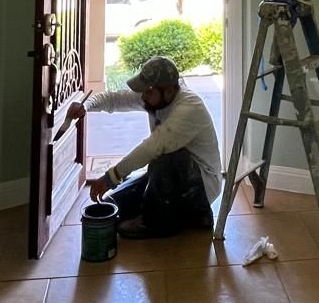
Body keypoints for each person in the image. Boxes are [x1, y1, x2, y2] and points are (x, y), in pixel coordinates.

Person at [61, 56, 220, 240]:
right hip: (165, 176)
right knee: (114, 205)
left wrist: (111, 177)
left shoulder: (190, 107)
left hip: (201, 185)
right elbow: (115, 99)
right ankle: (166, 213)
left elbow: (152, 147)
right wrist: (85, 106)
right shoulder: (156, 96)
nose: (143, 96)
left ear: (168, 91)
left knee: (168, 156)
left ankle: (161, 223)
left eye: (148, 92)